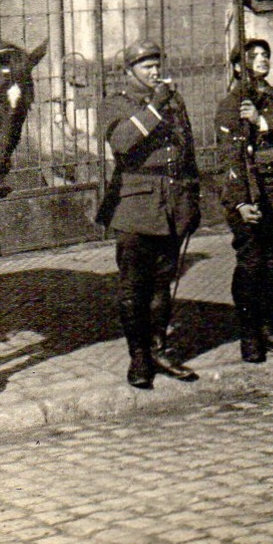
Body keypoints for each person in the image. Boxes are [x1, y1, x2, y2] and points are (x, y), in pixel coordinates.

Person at [96, 39, 202, 390]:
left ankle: (159, 348)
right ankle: (138, 356)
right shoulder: (114, 103)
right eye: (146, 67)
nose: (155, 72)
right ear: (129, 72)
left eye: (157, 64)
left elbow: (187, 150)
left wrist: (192, 197)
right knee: (133, 288)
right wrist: (154, 109)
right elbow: (122, 142)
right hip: (134, 207)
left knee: (162, 283)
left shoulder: (174, 101)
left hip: (171, 204)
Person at [215, 38, 273, 364]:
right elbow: (229, 158)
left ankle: (269, 327)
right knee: (251, 265)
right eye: (254, 56)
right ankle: (249, 333)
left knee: (271, 264)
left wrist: (262, 122)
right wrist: (239, 202)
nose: (262, 59)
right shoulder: (232, 103)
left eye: (266, 54)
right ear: (239, 66)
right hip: (248, 195)